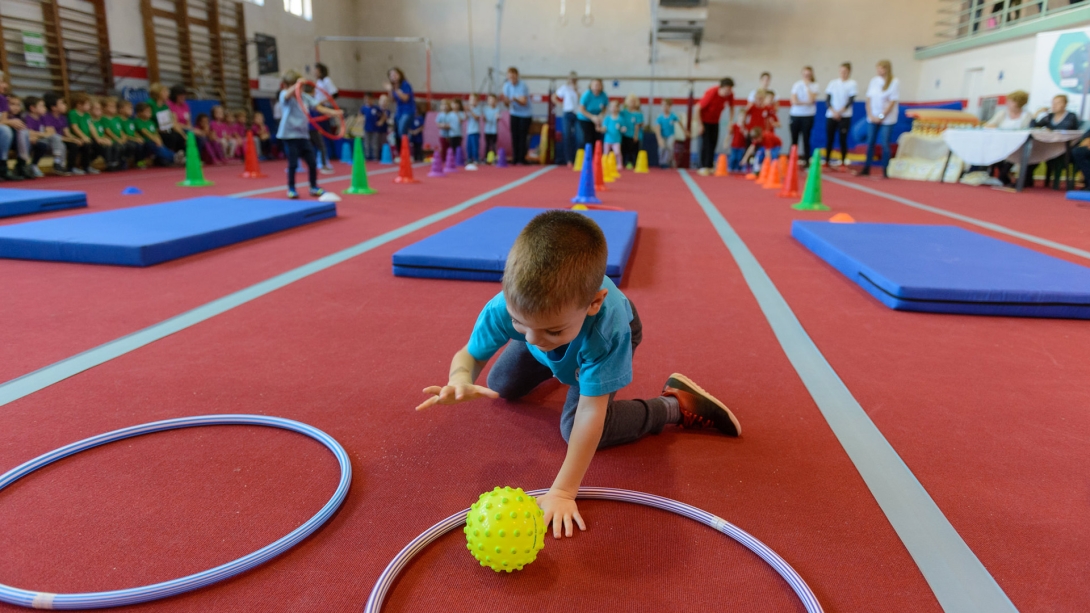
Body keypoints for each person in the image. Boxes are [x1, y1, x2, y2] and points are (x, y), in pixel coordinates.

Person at [418, 210, 740, 537]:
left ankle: (672, 404)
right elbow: (470, 355)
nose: (531, 339)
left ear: (594, 303)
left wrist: (562, 492)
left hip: (604, 339)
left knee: (574, 429)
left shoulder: (607, 332)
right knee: (500, 385)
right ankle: (564, 364)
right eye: (519, 324)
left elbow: (591, 411)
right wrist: (459, 378)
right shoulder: (511, 308)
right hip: (568, 338)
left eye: (550, 330)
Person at [277, 70, 342, 199]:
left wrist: (335, 113)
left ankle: (313, 187)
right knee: (293, 164)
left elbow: (319, 108)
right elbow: (287, 95)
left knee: (312, 163)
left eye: (301, 87)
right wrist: (296, 85)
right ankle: (291, 188)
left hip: (303, 136)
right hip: (289, 136)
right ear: (286, 85)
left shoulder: (305, 97)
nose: (300, 89)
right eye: (296, 86)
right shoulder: (285, 95)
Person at [857, 60, 900, 178]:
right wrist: (870, 114)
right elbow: (869, 99)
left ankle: (885, 169)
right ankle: (867, 167)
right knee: (870, 142)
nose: (879, 71)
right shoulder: (874, 81)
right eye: (878, 69)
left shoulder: (894, 82)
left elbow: (892, 101)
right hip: (873, 116)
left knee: (885, 142)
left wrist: (882, 116)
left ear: (887, 69)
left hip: (887, 118)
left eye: (882, 69)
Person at [694, 78, 735, 175]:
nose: (728, 92)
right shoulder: (712, 93)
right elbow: (697, 108)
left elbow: (732, 107)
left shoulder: (730, 95)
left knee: (713, 143)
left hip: (715, 121)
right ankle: (703, 166)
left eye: (730, 90)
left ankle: (710, 166)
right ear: (721, 88)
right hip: (704, 121)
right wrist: (700, 125)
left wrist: (730, 121)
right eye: (726, 89)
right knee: (705, 144)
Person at [23, 95, 69, 176]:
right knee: (45, 143)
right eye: (42, 106)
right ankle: (32, 165)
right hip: (32, 140)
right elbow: (28, 132)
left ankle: (58, 163)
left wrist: (41, 134)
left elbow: (50, 131)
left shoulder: (42, 118)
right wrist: (42, 134)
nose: (45, 108)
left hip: (41, 138)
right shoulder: (27, 118)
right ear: (32, 108)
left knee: (57, 138)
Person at [44, 92, 88, 175]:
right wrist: (71, 140)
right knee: (70, 145)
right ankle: (63, 166)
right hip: (53, 141)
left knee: (79, 143)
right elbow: (52, 135)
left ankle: (78, 167)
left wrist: (75, 139)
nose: (65, 105)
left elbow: (67, 133)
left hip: (62, 139)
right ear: (53, 107)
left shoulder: (63, 117)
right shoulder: (47, 117)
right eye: (61, 103)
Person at [824, 62, 857, 169]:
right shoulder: (833, 83)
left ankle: (843, 162)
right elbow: (828, 99)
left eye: (845, 72)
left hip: (845, 116)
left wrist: (840, 112)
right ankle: (827, 161)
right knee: (830, 138)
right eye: (841, 71)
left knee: (843, 139)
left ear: (849, 72)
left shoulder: (852, 84)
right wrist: (833, 111)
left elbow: (850, 100)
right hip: (831, 115)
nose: (843, 73)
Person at [0, 75, 32, 181]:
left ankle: (21, 164)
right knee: (5, 129)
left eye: (3, 82)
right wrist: (9, 122)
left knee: (22, 130)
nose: (5, 85)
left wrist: (10, 122)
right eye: (1, 82)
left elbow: (3, 120)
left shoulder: (2, 99)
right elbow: (5, 122)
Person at [789, 66, 820, 165]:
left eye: (808, 74)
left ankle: (806, 160)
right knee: (794, 139)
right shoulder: (797, 85)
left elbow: (811, 99)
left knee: (806, 138)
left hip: (808, 115)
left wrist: (807, 87)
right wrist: (805, 103)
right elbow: (794, 101)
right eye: (805, 74)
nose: (806, 76)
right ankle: (792, 161)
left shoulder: (814, 86)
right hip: (795, 114)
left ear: (811, 75)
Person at [501, 67, 532, 165]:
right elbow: (506, 102)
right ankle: (515, 157)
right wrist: (506, 101)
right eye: (510, 77)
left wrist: (515, 99)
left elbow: (523, 101)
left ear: (517, 76)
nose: (512, 79)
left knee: (523, 136)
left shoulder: (522, 85)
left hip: (525, 114)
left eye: (514, 76)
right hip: (514, 113)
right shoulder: (506, 86)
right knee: (515, 136)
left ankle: (522, 157)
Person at [147, 83, 186, 157]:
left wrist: (183, 135)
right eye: (164, 92)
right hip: (154, 130)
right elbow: (145, 119)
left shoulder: (165, 106)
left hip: (165, 129)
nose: (167, 94)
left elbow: (171, 122)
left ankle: (182, 157)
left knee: (178, 136)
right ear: (158, 93)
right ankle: (171, 157)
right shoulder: (150, 104)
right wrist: (156, 129)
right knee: (171, 137)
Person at [134, 101, 177, 166]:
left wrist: (159, 140)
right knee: (155, 147)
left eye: (150, 111)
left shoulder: (151, 122)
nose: (149, 113)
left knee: (162, 146)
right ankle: (174, 158)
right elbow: (145, 132)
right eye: (147, 111)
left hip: (154, 141)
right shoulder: (138, 121)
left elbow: (156, 133)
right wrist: (155, 140)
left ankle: (174, 156)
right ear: (139, 113)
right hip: (147, 142)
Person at [313, 62, 339, 164]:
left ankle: (328, 155)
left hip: (324, 108)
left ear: (320, 71)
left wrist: (322, 102)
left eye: (316, 70)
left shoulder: (326, 80)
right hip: (317, 108)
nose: (314, 72)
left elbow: (335, 94)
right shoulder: (318, 82)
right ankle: (321, 155)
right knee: (318, 132)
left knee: (324, 132)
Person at [553, 72, 580, 165]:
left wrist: (576, 91)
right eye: (571, 78)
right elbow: (554, 97)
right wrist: (560, 104)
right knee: (566, 136)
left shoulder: (578, 89)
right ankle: (568, 160)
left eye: (574, 79)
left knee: (579, 137)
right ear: (568, 79)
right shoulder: (564, 88)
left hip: (577, 114)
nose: (572, 80)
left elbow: (581, 101)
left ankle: (578, 158)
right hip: (567, 113)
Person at [575, 78, 608, 151]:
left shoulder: (603, 95)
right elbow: (581, 109)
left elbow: (605, 108)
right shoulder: (587, 95)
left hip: (597, 120)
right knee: (587, 138)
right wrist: (592, 117)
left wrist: (600, 115)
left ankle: (596, 157)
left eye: (598, 85)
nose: (596, 86)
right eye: (595, 85)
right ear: (591, 86)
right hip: (585, 119)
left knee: (597, 139)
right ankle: (586, 157)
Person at [385, 67, 415, 144]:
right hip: (399, 111)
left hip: (408, 110)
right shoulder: (394, 87)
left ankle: (407, 148)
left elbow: (405, 98)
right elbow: (392, 100)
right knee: (397, 133)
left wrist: (395, 90)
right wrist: (390, 90)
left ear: (400, 75)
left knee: (402, 130)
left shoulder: (405, 84)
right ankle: (400, 151)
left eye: (395, 74)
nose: (393, 76)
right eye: (391, 75)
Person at [652, 99, 685, 169]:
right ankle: (662, 162)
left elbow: (680, 122)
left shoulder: (673, 116)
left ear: (670, 106)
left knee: (669, 146)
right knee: (662, 147)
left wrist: (684, 131)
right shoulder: (660, 117)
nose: (665, 107)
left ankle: (666, 162)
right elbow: (657, 127)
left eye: (666, 105)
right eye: (663, 105)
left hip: (671, 135)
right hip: (663, 135)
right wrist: (659, 138)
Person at [601, 99, 625, 171]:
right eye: (612, 107)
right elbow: (604, 128)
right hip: (607, 139)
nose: (614, 109)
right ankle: (604, 164)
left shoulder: (620, 119)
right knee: (605, 153)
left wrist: (623, 129)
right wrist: (602, 129)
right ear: (610, 108)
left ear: (618, 108)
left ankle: (619, 164)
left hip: (616, 140)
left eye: (616, 107)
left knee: (617, 152)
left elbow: (623, 127)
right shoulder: (607, 118)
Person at [621, 94, 643, 169]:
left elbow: (638, 125)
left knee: (634, 150)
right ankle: (625, 162)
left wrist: (636, 135)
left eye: (633, 101)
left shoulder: (638, 114)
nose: (632, 103)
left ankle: (634, 163)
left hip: (634, 135)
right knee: (625, 149)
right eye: (630, 101)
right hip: (625, 134)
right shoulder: (623, 112)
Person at [360, 95, 385, 161]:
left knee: (374, 143)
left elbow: (383, 115)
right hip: (366, 128)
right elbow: (360, 115)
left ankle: (375, 156)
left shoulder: (376, 108)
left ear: (372, 100)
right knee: (366, 143)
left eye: (369, 99)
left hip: (375, 129)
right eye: (366, 99)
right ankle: (367, 156)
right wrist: (361, 120)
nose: (367, 101)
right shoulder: (363, 108)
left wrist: (381, 121)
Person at [435, 98, 455, 164]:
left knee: (450, 148)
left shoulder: (451, 114)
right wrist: (443, 125)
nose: (445, 106)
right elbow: (438, 124)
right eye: (443, 105)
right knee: (443, 148)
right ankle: (443, 160)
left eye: (446, 105)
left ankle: (451, 160)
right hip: (443, 135)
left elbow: (452, 124)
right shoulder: (440, 115)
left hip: (450, 135)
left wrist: (446, 126)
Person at [465, 94, 482, 166]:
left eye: (474, 100)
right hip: (469, 131)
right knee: (468, 146)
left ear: (478, 101)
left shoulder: (478, 109)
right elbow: (466, 118)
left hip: (475, 131)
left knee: (475, 146)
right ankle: (469, 158)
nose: (472, 101)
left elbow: (476, 118)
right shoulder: (469, 109)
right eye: (471, 99)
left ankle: (476, 159)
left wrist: (470, 111)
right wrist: (465, 111)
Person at [483, 94, 501, 162]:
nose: (492, 101)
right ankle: (486, 158)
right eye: (490, 100)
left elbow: (498, 119)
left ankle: (494, 158)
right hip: (487, 130)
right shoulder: (485, 109)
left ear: (496, 101)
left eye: (493, 100)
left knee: (493, 145)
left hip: (494, 131)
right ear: (488, 101)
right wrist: (484, 118)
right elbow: (484, 120)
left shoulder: (497, 109)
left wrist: (497, 117)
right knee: (487, 144)